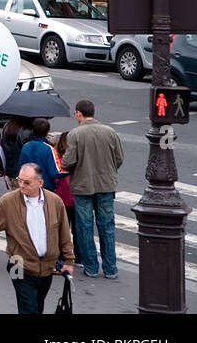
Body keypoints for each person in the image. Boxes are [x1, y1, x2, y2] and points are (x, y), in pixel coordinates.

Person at [0, 162, 74, 313]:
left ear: (40, 183)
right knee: (28, 309)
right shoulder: (8, 201)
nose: (21, 185)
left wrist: (69, 260)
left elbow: (64, 234)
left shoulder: (55, 202)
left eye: (27, 182)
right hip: (18, 264)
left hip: (46, 267)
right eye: (19, 180)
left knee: (37, 306)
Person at [60, 99, 124, 279]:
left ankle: (91, 267)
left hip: (82, 186)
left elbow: (68, 162)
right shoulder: (110, 132)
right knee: (107, 227)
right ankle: (111, 268)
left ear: (79, 113)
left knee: (85, 227)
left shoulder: (75, 134)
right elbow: (119, 158)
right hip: (106, 185)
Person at [53, 131, 81, 267]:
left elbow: (56, 179)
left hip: (62, 199)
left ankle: (62, 255)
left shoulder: (59, 159)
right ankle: (79, 256)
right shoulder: (78, 159)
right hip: (76, 198)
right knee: (78, 229)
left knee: (62, 229)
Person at [17, 118, 64, 191]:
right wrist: (69, 170)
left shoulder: (26, 146)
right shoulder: (49, 149)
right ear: (47, 133)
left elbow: (21, 166)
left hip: (29, 185)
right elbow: (55, 172)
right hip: (45, 187)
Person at [0, 115, 34, 186]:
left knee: (15, 195)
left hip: (10, 170)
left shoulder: (8, 126)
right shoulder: (28, 131)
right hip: (23, 173)